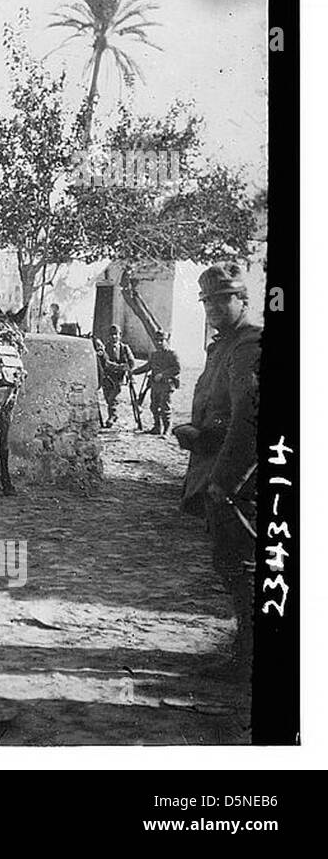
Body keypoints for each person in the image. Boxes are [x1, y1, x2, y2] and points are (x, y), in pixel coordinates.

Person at [174, 262, 261, 675]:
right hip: (220, 470)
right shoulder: (224, 344)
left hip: (238, 480)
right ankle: (244, 645)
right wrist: (201, 432)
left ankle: (249, 656)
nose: (212, 307)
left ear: (243, 300)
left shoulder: (249, 345)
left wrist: (225, 480)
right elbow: (224, 413)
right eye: (207, 301)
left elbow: (251, 416)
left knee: (244, 563)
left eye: (222, 299)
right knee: (229, 562)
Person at [133, 330, 182, 435]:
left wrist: (162, 374)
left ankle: (167, 429)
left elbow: (177, 368)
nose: (159, 343)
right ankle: (157, 427)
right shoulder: (154, 355)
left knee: (165, 407)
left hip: (166, 385)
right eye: (157, 341)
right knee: (154, 406)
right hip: (155, 385)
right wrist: (134, 372)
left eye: (161, 340)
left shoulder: (172, 354)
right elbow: (148, 366)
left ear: (166, 340)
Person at [98, 324, 136, 425]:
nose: (114, 337)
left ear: (120, 335)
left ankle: (112, 416)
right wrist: (121, 366)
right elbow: (105, 363)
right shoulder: (105, 347)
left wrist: (122, 368)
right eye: (111, 335)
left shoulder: (124, 348)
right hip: (108, 377)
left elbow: (131, 363)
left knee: (113, 397)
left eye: (116, 334)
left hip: (119, 378)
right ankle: (113, 415)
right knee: (108, 397)